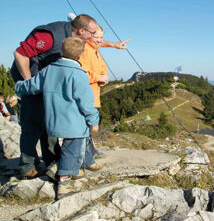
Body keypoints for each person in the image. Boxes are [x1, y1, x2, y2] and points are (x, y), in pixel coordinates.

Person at [11, 14, 129, 179]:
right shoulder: (50, 36)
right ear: (81, 31)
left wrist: (115, 45)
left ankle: (52, 160)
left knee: (49, 121)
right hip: (33, 79)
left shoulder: (76, 38)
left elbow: (96, 43)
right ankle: (28, 166)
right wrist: (29, 83)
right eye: (93, 33)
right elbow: (20, 54)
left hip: (48, 80)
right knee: (33, 124)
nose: (95, 37)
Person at [15, 37, 99, 197]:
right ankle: (64, 184)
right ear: (80, 55)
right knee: (73, 149)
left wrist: (18, 86)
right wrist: (93, 121)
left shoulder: (49, 70)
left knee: (65, 149)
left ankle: (56, 167)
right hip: (74, 124)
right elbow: (87, 103)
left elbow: (32, 86)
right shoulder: (79, 74)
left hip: (52, 122)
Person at [78, 24, 109, 158]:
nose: (99, 40)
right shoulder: (84, 50)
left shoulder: (95, 50)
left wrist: (103, 78)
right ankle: (85, 155)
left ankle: (89, 150)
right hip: (86, 93)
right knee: (84, 125)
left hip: (93, 92)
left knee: (87, 125)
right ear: (89, 35)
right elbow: (80, 73)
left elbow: (102, 68)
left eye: (101, 37)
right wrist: (98, 77)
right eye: (96, 37)